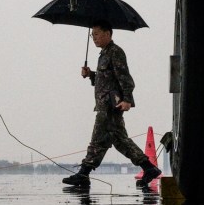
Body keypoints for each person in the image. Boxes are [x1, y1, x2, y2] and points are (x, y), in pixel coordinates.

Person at [62, 19, 162, 187]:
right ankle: (149, 168)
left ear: (108, 34)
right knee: (121, 141)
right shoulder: (104, 54)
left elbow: (125, 78)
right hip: (104, 104)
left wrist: (127, 100)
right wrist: (91, 75)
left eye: (97, 34)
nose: (94, 38)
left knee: (98, 140)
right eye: (92, 35)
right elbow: (107, 79)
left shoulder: (115, 52)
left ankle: (83, 174)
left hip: (110, 106)